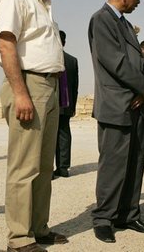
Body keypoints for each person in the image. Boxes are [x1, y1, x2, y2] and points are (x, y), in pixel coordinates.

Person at [0, 0, 69, 252]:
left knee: (42, 165)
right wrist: (21, 93)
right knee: (24, 166)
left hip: (48, 87)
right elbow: (6, 45)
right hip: (29, 84)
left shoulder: (44, 5)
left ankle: (39, 227)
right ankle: (19, 238)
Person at [88, 0, 144, 244]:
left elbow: (141, 63)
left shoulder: (126, 25)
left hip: (136, 104)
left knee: (136, 162)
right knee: (113, 166)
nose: (139, 0)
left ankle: (128, 215)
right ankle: (103, 218)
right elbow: (114, 62)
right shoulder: (101, 20)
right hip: (116, 106)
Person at [54, 30, 78, 178]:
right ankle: (63, 167)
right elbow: (75, 86)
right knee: (64, 134)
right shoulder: (72, 60)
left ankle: (48, 169)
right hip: (67, 104)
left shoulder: (48, 58)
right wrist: (73, 106)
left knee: (49, 136)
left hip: (52, 104)